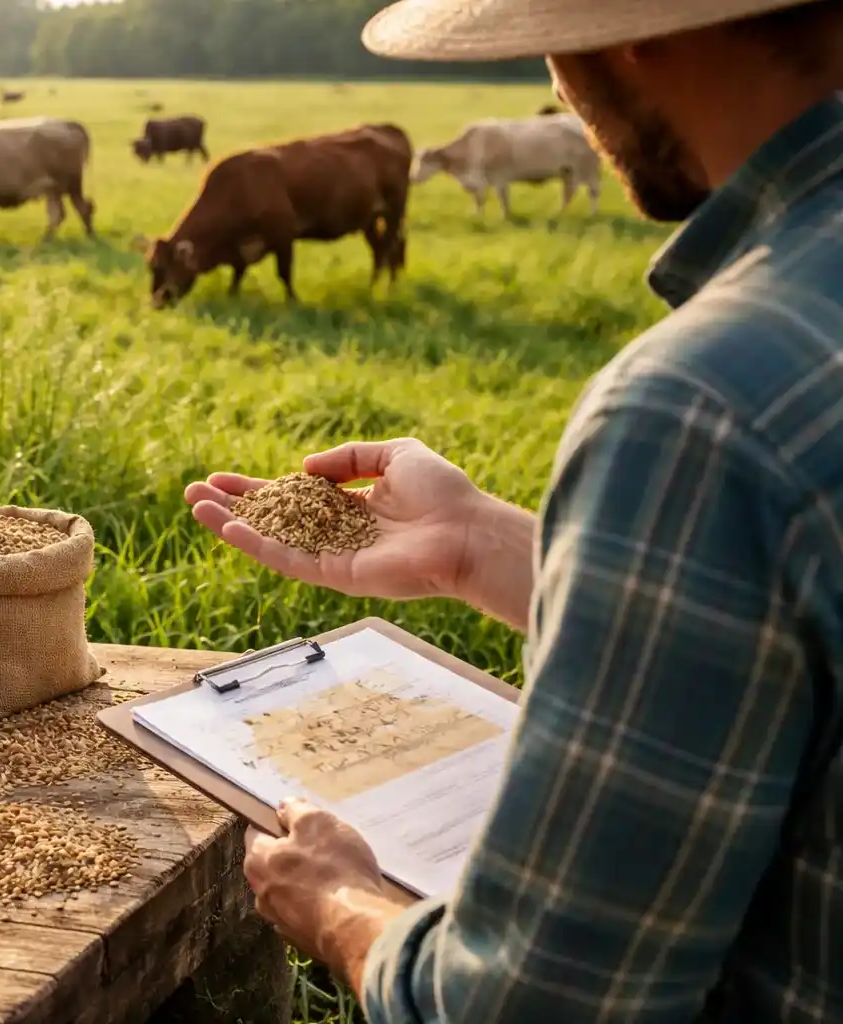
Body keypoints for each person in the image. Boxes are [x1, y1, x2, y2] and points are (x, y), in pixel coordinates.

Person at [184, 1, 843, 1020]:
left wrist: (341, 904)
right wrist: (482, 546)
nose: (555, 85)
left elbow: (531, 1002)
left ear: (630, 31)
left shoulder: (701, 410)